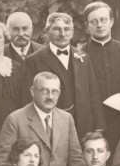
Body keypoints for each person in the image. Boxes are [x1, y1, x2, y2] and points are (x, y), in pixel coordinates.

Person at [0, 72, 84, 166]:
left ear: (59, 93)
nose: (50, 97)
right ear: (32, 91)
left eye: (54, 91)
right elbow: (2, 164)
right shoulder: (15, 119)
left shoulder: (66, 119)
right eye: (44, 91)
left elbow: (76, 161)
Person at [24, 12, 106, 140]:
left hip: (83, 126)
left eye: (67, 29)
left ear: (72, 32)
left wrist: (99, 127)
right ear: (47, 31)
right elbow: (28, 98)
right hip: (50, 126)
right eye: (56, 29)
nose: (62, 34)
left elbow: (93, 92)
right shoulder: (34, 60)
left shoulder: (83, 57)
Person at [80, 2, 120, 152]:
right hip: (94, 123)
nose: (99, 25)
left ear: (111, 21)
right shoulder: (80, 55)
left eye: (104, 20)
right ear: (87, 26)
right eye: (94, 21)